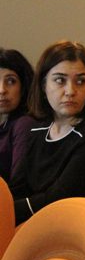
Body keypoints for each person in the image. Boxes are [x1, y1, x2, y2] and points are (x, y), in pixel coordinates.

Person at [10, 41, 85, 225]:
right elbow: (19, 188)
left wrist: (5, 211)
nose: (70, 91)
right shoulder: (37, 130)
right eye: (60, 80)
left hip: (78, 230)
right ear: (43, 85)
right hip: (38, 225)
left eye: (81, 81)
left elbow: (58, 200)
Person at [0, 49, 35, 183]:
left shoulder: (24, 124)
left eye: (10, 81)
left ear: (23, 86)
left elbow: (18, 184)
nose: (2, 90)